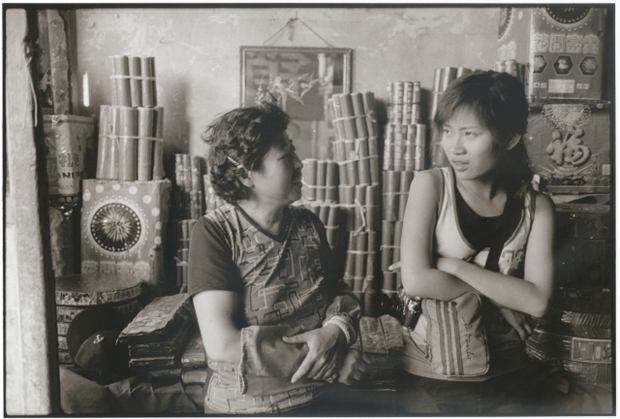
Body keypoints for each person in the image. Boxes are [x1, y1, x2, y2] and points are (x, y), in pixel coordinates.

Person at [188, 103, 368, 414]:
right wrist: (332, 361)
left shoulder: (308, 224)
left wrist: (336, 330)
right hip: (249, 406)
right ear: (246, 174)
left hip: (322, 398)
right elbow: (223, 345)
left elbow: (337, 294)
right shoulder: (215, 233)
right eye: (286, 157)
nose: (300, 164)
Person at [395, 71, 556, 414]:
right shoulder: (431, 186)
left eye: (470, 134)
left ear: (510, 138)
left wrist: (449, 264)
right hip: (433, 372)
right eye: (448, 131)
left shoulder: (537, 207)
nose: (454, 146)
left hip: (511, 372)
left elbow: (537, 301)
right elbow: (416, 280)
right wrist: (503, 300)